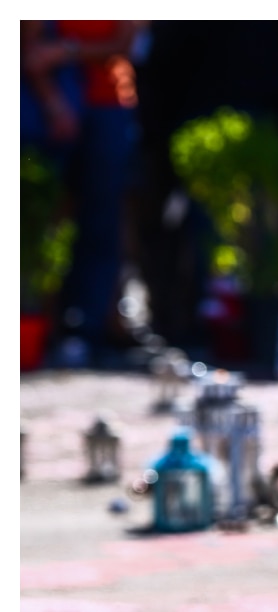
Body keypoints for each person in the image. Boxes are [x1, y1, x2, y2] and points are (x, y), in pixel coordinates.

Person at [21, 20, 143, 368]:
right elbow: (30, 50)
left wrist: (66, 50)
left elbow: (125, 41)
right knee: (43, 221)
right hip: (51, 105)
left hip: (110, 104)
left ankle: (88, 329)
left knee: (103, 219)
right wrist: (52, 101)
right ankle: (41, 327)